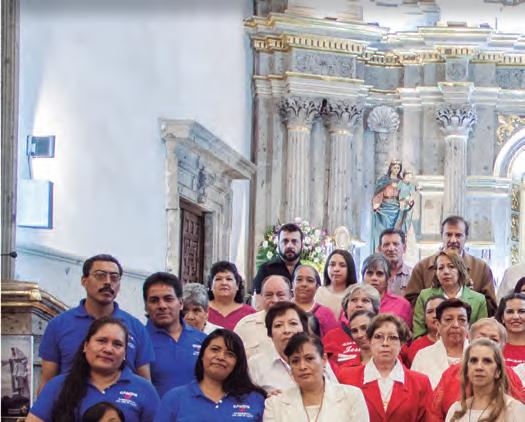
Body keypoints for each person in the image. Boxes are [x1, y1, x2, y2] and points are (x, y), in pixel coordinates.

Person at [38, 254, 154, 393]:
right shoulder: (58, 325)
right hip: (71, 402)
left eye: (114, 278)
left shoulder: (136, 327)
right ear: (84, 281)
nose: (108, 282)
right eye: (100, 275)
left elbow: (145, 385)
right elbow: (47, 382)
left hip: (121, 404)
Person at [28, 317, 159, 422]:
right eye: (101, 341)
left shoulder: (144, 389)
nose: (108, 349)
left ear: (125, 353)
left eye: (117, 344)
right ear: (86, 346)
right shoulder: (58, 386)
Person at [155, 329, 266, 422]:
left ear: (237, 363)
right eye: (215, 349)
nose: (221, 357)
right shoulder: (174, 398)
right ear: (202, 355)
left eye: (230, 354)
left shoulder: (255, 399)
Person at [339, 314, 432, 421]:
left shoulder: (420, 383)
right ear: (369, 341)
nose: (385, 343)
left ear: (402, 343)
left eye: (392, 338)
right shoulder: (347, 378)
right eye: (378, 337)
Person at [430, 318, 525, 421]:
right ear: (470, 341)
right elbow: (434, 412)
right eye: (480, 338)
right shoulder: (451, 375)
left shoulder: (514, 402)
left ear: (502, 346)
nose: (486, 343)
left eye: (494, 340)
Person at [263, 332, 370, 421]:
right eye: (295, 361)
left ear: (324, 360)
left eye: (309, 359)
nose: (302, 366)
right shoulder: (275, 404)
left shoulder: (352, 397)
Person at [405, 216, 497, 315]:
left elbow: (491, 307)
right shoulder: (422, 267)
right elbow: (410, 302)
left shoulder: (481, 268)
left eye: (458, 235)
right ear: (442, 236)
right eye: (448, 235)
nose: (453, 240)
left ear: (466, 237)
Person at [143, 272, 206, 397]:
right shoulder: (139, 340)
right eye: (154, 300)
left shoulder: (203, 340)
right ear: (146, 306)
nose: (162, 306)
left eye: (168, 299)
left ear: (181, 303)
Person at [412, 251, 487, 339]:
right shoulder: (425, 296)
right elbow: (418, 332)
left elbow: (482, 334)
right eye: (441, 268)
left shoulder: (479, 300)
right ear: (436, 273)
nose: (446, 272)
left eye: (451, 267)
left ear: (460, 270)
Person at [445, 338, 525, 421]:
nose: (479, 367)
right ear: (467, 369)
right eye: (473, 361)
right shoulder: (456, 410)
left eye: (487, 361)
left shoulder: (514, 410)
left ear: (498, 371)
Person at [248, 301, 310, 392]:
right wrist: (264, 397)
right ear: (270, 333)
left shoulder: (317, 358)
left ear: (304, 329)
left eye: (293, 323)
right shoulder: (256, 364)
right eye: (278, 325)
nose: (286, 330)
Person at [412, 298, 471, 388]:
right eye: (448, 319)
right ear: (438, 325)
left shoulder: (478, 356)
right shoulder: (423, 356)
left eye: (461, 320)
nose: (455, 325)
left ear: (468, 326)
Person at [323, 284, 380, 373]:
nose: (359, 305)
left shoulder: (384, 334)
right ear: (345, 307)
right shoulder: (332, 336)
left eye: (365, 300)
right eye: (354, 300)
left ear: (375, 309)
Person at [235, 275, 292, 358]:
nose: (275, 300)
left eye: (280, 295)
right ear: (261, 297)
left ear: (290, 296)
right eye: (269, 295)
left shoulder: (300, 325)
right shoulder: (245, 326)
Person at [252, 223, 304, 310]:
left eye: (294, 241)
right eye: (285, 241)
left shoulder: (306, 273)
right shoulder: (265, 269)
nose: (289, 245)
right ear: (278, 244)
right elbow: (258, 302)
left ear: (302, 245)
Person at [362, 254, 413, 329]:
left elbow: (407, 334)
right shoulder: (355, 302)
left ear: (388, 278)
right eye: (370, 273)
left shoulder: (402, 305)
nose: (374, 278)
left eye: (379, 274)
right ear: (363, 276)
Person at [206, 261, 255, 330]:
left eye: (229, 279)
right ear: (211, 285)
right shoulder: (201, 310)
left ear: (237, 285)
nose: (224, 283)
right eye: (218, 279)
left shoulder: (250, 314)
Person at [292, 264, 338, 337]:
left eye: (310, 280)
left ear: (317, 287)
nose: (304, 284)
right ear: (292, 284)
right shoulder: (282, 309)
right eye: (299, 280)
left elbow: (335, 340)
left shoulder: (326, 314)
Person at [315, 249, 358, 319]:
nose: (336, 269)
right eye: (332, 265)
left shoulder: (355, 292)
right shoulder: (319, 292)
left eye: (342, 265)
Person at [404, 295, 445, 367]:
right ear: (424, 319)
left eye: (439, 310)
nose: (435, 315)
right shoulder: (416, 347)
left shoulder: (461, 343)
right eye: (430, 312)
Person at [377, 229, 412, 296]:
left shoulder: (413, 275)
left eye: (396, 244)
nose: (391, 249)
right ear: (379, 249)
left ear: (404, 248)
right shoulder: (373, 276)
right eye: (386, 244)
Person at [495, 293, 525, 368]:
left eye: (522, 311)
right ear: (502, 318)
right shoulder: (493, 347)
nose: (516, 317)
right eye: (510, 312)